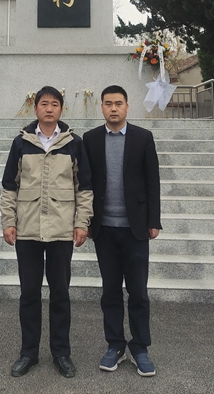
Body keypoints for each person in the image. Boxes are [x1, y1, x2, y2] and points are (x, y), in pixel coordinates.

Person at [0, 85, 93, 378]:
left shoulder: (74, 143)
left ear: (61, 109)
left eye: (54, 104)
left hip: (61, 231)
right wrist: (8, 221)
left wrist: (81, 223)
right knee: (29, 293)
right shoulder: (21, 142)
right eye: (44, 103)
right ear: (35, 108)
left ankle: (61, 353)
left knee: (60, 294)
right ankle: (28, 352)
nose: (49, 108)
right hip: (27, 230)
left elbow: (84, 188)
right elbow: (9, 185)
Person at [82, 85, 161, 377]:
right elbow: (86, 183)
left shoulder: (143, 137)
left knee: (138, 292)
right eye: (108, 103)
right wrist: (87, 221)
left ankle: (140, 347)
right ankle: (114, 345)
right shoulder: (90, 139)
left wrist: (154, 220)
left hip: (135, 229)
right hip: (104, 230)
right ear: (101, 107)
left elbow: (153, 182)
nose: (113, 108)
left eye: (118, 103)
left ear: (127, 106)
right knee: (111, 292)